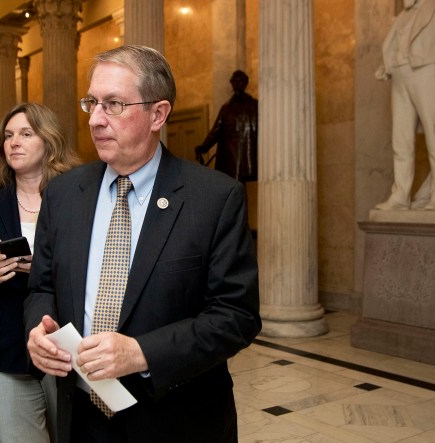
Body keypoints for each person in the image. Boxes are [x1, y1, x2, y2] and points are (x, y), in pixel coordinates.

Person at [24, 45, 261, 443]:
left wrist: (142, 353)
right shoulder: (64, 195)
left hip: (176, 422)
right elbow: (41, 287)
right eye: (92, 103)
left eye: (113, 104)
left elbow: (236, 317)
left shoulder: (214, 198)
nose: (96, 120)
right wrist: (39, 328)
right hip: (82, 420)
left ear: (158, 114)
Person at [0, 102, 81, 443]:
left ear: (49, 141)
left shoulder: (80, 199)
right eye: (8, 136)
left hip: (66, 350)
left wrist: (41, 265)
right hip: (4, 350)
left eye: (26, 133)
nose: (14, 142)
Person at [374, 0, 435, 210]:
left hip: (429, 73)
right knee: (401, 141)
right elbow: (397, 46)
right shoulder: (401, 17)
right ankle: (400, 194)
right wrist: (388, 65)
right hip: (400, 78)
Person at [194, 70, 258, 182]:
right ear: (232, 83)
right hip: (230, 157)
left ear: (245, 83)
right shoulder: (227, 108)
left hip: (245, 156)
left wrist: (203, 148)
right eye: (235, 81)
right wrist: (203, 147)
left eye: (240, 81)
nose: (237, 84)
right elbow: (216, 131)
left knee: (236, 187)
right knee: (233, 187)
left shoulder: (254, 105)